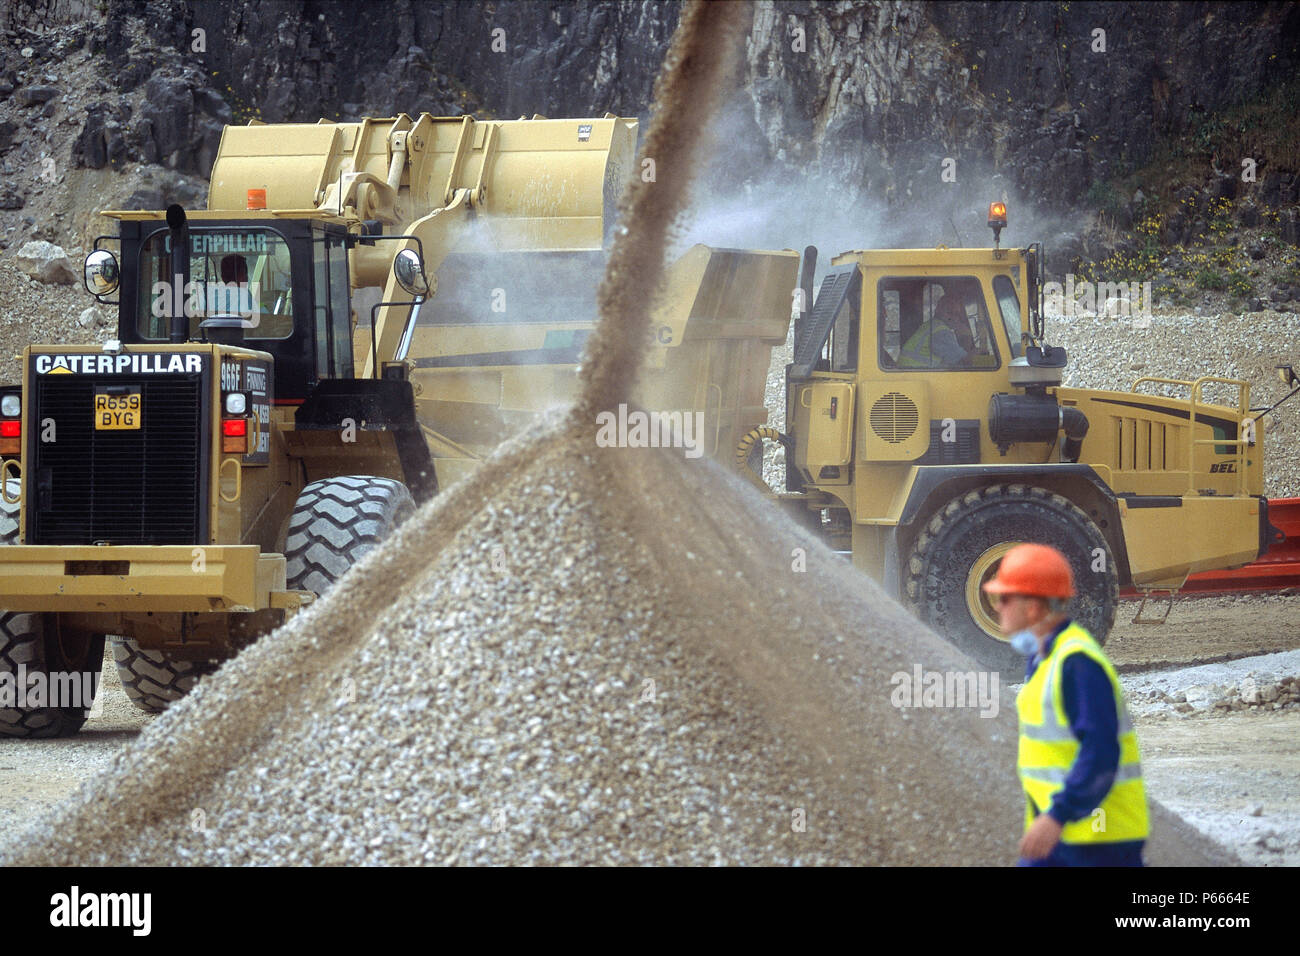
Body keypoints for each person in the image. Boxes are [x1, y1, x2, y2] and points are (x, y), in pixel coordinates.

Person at [982, 542, 1149, 866]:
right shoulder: (1045, 658)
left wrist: (1057, 816)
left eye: (1003, 598)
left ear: (1032, 607)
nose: (997, 606)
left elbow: (1101, 753)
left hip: (1098, 839)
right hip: (1066, 835)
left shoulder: (1077, 663)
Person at [897, 294, 971, 367]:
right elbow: (963, 361)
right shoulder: (941, 332)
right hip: (916, 375)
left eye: (957, 314)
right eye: (949, 312)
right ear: (938, 310)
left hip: (910, 372)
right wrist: (966, 337)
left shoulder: (931, 325)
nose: (953, 317)